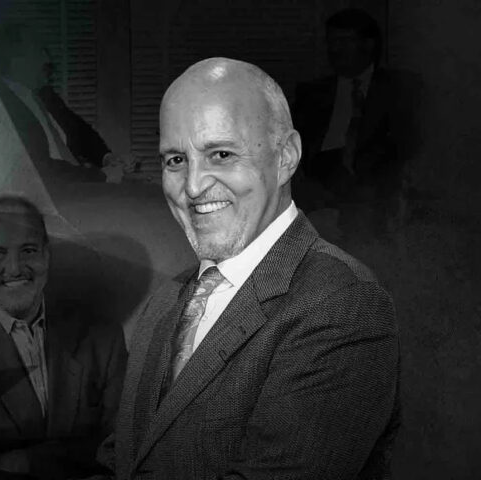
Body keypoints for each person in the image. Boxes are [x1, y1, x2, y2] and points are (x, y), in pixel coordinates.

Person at [98, 58, 400, 479]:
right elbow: (122, 463)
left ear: (286, 156)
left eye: (221, 154)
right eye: (176, 160)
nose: (193, 186)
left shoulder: (343, 306)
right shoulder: (166, 303)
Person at [0, 196, 128, 480]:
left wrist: (27, 461)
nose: (15, 268)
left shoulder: (104, 340)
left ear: (46, 256)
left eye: (28, 250)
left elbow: (125, 446)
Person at [293, 8, 417, 221]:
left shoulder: (398, 88)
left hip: (375, 187)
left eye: (343, 41)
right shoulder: (312, 94)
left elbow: (407, 146)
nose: (335, 49)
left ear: (368, 44)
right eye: (331, 41)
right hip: (321, 183)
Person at [0, 23, 135, 185]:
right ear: (17, 61)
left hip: (81, 184)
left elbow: (80, 131)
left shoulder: (46, 95)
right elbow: (41, 171)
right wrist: (100, 176)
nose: (47, 60)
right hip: (59, 193)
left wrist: (107, 158)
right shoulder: (0, 110)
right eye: (39, 52)